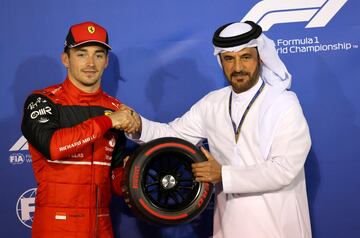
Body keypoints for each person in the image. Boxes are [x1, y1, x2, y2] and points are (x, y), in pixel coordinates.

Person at [128, 21, 312, 238]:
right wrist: (138, 125)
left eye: (245, 57)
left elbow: (284, 169)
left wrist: (222, 174)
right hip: (229, 228)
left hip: (278, 227)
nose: (237, 68)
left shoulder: (283, 103)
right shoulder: (212, 103)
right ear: (220, 61)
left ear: (260, 57)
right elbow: (173, 137)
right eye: (229, 59)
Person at [21, 21, 139, 238]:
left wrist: (132, 175)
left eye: (99, 55)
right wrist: (108, 121)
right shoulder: (43, 101)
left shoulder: (115, 109)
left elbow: (114, 177)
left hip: (102, 224)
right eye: (82, 54)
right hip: (56, 225)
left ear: (106, 62)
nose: (91, 63)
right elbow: (53, 147)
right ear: (66, 59)